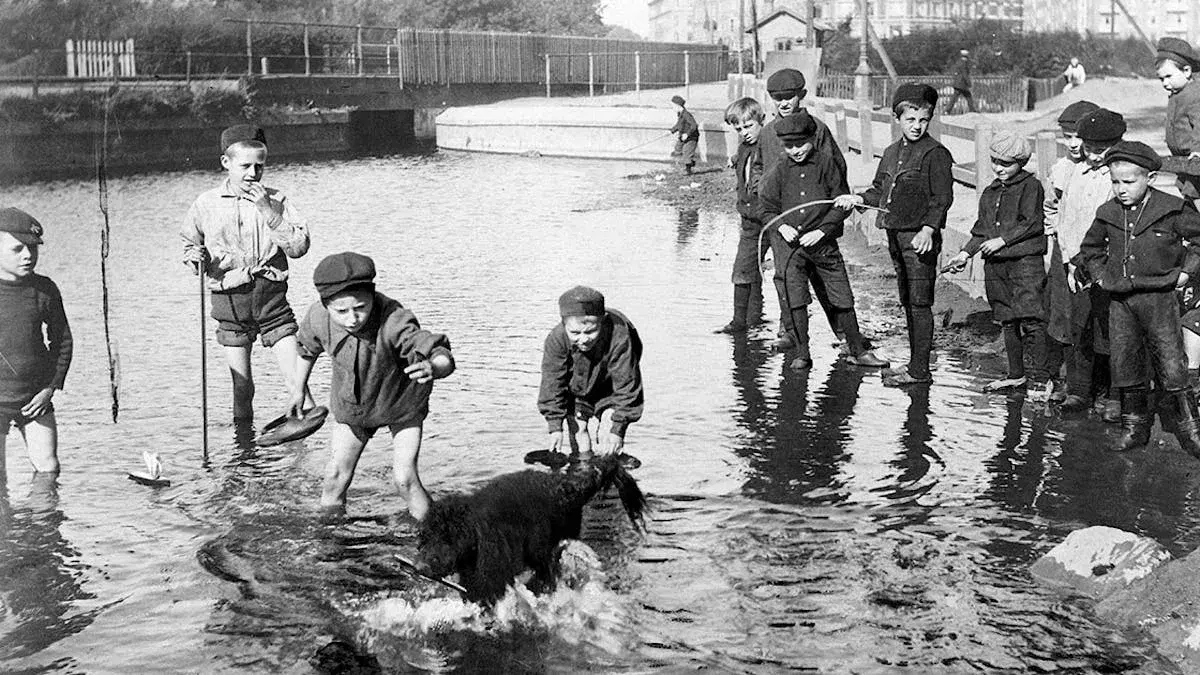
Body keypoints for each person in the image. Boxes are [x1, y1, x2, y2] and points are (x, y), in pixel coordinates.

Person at [290, 252, 455, 519]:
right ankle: (330, 536)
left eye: (361, 307)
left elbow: (437, 351)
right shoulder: (318, 317)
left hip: (401, 403)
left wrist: (434, 367)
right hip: (353, 405)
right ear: (325, 304)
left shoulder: (394, 318)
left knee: (404, 479)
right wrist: (299, 389)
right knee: (335, 476)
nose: (352, 319)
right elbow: (306, 350)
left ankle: (434, 534)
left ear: (373, 295)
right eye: (341, 311)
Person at [181, 124, 314, 420]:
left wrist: (268, 211)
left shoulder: (277, 200)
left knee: (297, 382)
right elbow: (190, 245)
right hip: (230, 304)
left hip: (272, 302)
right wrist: (195, 259)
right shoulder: (206, 203)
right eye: (245, 166)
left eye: (260, 166)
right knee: (242, 388)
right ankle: (244, 445)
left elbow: (298, 247)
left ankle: (304, 442)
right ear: (226, 163)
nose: (253, 173)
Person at [1078, 141, 1200, 456]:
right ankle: (1134, 428)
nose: (1121, 189)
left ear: (1150, 178)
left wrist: (1186, 273)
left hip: (1159, 299)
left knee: (1171, 362)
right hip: (1121, 301)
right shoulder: (1108, 212)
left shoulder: (1172, 209)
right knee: (1125, 361)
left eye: (1129, 182)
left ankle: (1191, 430)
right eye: (1115, 181)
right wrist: (1101, 277)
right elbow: (1090, 249)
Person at [836, 83, 954, 387]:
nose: (916, 126)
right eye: (910, 119)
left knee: (920, 302)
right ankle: (914, 365)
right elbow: (880, 190)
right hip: (895, 235)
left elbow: (942, 198)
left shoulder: (936, 154)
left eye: (923, 120)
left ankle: (920, 372)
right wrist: (858, 199)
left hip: (919, 239)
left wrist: (929, 229)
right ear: (897, 118)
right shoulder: (890, 153)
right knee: (907, 299)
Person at [758, 111, 890, 371]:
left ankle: (858, 350)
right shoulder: (779, 169)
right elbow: (766, 208)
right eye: (789, 146)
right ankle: (802, 353)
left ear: (812, 139)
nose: (796, 150)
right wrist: (782, 227)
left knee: (842, 296)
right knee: (796, 298)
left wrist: (822, 231)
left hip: (823, 246)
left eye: (801, 144)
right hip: (791, 250)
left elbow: (841, 203)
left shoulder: (826, 163)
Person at [945, 130, 1049, 397]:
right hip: (996, 266)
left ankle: (1040, 379)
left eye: (1006, 163)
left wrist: (1002, 240)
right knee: (1007, 318)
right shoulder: (990, 192)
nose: (999, 168)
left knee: (1031, 318)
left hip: (1025, 263)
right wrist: (965, 254)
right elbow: (981, 229)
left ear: (1020, 163)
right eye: (995, 161)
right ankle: (1016, 375)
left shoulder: (1031, 187)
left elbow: (1031, 223)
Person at [758, 67, 851, 353]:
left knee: (824, 277)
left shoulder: (817, 129)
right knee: (785, 277)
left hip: (815, 221)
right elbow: (759, 167)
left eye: (789, 97)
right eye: (777, 98)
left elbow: (836, 169)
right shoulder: (767, 133)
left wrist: (829, 219)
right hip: (782, 221)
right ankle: (790, 331)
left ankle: (845, 334)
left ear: (802, 95)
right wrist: (758, 193)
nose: (784, 103)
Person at [1056, 108, 1127, 420]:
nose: (1095, 156)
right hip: (1078, 263)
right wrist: (1070, 260)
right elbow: (1066, 219)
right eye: (1090, 149)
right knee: (1079, 327)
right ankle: (1078, 390)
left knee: (1110, 331)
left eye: (1102, 150)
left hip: (1108, 264)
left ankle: (1111, 394)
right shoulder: (1076, 174)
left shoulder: (1118, 179)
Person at [0, 208, 71, 474]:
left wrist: (49, 389)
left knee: (48, 468)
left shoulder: (45, 289)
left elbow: (62, 342)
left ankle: (46, 505)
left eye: (33, 247)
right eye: (17, 249)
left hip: (34, 397)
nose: (28, 255)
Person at [539, 286, 643, 459]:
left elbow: (627, 383)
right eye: (575, 333)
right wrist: (555, 426)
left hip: (611, 386)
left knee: (608, 433)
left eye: (590, 331)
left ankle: (607, 466)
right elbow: (552, 384)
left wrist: (618, 429)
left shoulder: (620, 335)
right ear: (564, 326)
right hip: (577, 386)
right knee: (578, 430)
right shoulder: (556, 340)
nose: (583, 339)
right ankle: (582, 466)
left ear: (602, 322)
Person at [1043, 100, 1101, 403]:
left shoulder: (1103, 170)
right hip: (1064, 250)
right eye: (1068, 137)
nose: (1074, 144)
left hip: (1093, 252)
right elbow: (1051, 207)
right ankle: (1068, 379)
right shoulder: (1062, 169)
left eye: (1080, 137)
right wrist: (1056, 239)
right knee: (1064, 313)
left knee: (1093, 315)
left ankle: (1098, 385)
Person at [716, 96, 768, 334]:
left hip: (772, 218)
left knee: (786, 274)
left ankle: (788, 329)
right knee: (743, 269)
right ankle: (740, 322)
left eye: (748, 126)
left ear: (761, 121)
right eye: (738, 129)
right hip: (749, 219)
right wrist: (735, 159)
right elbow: (745, 160)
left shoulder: (771, 145)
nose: (744, 133)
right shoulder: (744, 147)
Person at [1155, 38, 1200, 201]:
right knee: (1183, 188)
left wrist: (1198, 150)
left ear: (1186, 71)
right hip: (1182, 157)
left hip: (1194, 156)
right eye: (1161, 79)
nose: (1165, 83)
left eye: (1169, 76)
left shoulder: (1194, 95)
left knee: (1193, 192)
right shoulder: (1177, 94)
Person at [669, 95, 699, 175]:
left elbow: (694, 125)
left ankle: (688, 170)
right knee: (677, 149)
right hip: (683, 137)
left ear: (678, 106)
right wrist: (671, 131)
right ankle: (688, 163)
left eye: (673, 106)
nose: (672, 108)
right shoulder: (680, 114)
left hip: (691, 137)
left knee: (687, 154)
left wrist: (687, 134)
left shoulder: (686, 115)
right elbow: (678, 125)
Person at [945, 50, 978, 114]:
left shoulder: (958, 62)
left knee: (955, 97)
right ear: (966, 57)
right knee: (968, 96)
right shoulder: (964, 64)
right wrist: (969, 83)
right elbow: (965, 74)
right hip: (962, 83)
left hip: (958, 83)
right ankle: (972, 110)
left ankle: (947, 110)